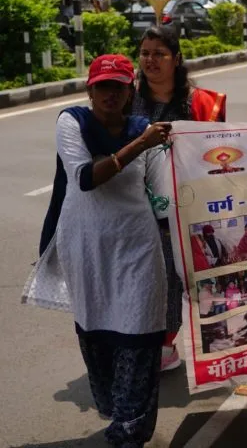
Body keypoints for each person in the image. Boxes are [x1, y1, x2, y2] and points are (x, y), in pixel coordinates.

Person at [41, 54, 172, 447]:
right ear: (90, 89)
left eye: (118, 86)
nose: (110, 94)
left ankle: (129, 430)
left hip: (138, 249)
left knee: (139, 336)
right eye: (103, 86)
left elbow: (163, 193)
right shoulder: (72, 123)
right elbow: (84, 178)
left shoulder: (144, 130)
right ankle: (122, 414)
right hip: (87, 249)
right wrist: (141, 144)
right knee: (98, 339)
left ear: (130, 90)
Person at [132, 25, 227, 371]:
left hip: (181, 206)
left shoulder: (199, 104)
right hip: (132, 203)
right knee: (138, 276)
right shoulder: (128, 99)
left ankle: (166, 345)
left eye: (159, 53)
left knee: (173, 276)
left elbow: (218, 155)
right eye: (145, 53)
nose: (150, 60)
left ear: (177, 59)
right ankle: (136, 338)